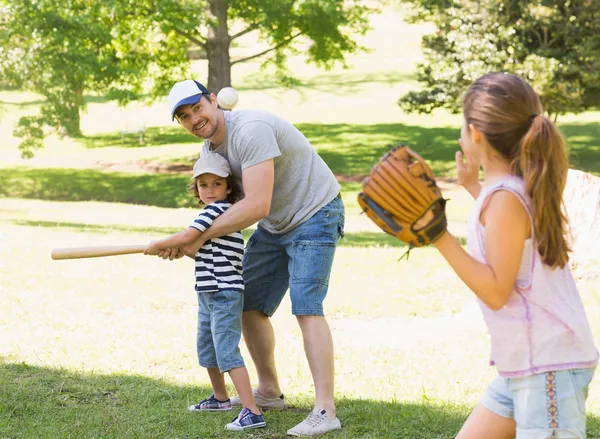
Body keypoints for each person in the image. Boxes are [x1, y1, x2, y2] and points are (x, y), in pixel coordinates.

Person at [162, 79, 345, 436]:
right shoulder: (209, 151)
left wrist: (192, 237)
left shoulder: (251, 129)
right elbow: (220, 212)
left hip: (315, 213)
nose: (194, 119)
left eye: (197, 108)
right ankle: (270, 391)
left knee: (307, 308)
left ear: (213, 101)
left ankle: (325, 409)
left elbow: (256, 204)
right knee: (247, 304)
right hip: (275, 225)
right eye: (184, 116)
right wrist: (189, 243)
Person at [430, 72, 598, 438]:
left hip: (548, 365)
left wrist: (439, 237)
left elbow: (496, 290)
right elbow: (508, 241)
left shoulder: (508, 196)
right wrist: (473, 186)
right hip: (528, 361)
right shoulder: (507, 192)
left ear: (475, 133)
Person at [144, 152, 266, 432]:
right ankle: (220, 398)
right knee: (208, 345)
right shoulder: (213, 217)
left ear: (229, 188)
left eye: (217, 184)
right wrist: (175, 251)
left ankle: (251, 410)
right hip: (209, 290)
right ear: (196, 188)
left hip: (224, 292)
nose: (210, 191)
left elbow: (188, 238)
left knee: (226, 349)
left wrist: (157, 244)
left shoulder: (218, 211)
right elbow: (196, 250)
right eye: (203, 185)